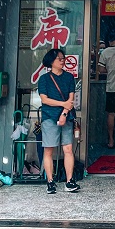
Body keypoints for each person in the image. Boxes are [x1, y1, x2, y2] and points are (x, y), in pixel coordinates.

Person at [37, 48, 80, 194]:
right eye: (59, 59)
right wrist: (63, 105)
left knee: (68, 149)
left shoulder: (69, 77)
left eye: (63, 58)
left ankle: (69, 181)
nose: (62, 61)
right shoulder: (44, 79)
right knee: (49, 150)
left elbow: (71, 99)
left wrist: (64, 113)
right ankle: (50, 181)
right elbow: (44, 100)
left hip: (66, 117)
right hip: (49, 117)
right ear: (51, 61)